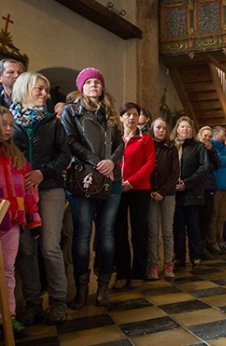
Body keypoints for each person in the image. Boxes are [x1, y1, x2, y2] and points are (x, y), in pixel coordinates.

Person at [0, 106, 41, 342]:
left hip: (11, 222)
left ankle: (7, 315)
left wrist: (34, 220)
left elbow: (29, 191)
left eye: (11, 124)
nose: (9, 128)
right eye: (3, 124)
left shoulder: (16, 157)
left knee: (8, 271)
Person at [10, 72, 71, 326]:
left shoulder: (52, 123)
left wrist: (41, 173)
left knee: (49, 246)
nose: (45, 94)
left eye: (46, 90)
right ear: (24, 89)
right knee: (26, 249)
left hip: (50, 188)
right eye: (40, 89)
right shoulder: (9, 122)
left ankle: (58, 301)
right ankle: (33, 303)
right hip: (19, 192)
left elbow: (64, 155)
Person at [60, 67, 124, 309]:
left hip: (111, 179)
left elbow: (121, 144)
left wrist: (111, 162)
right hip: (84, 178)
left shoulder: (110, 113)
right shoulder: (71, 111)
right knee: (82, 234)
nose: (94, 85)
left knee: (107, 233)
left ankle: (104, 287)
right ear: (81, 87)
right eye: (89, 82)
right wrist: (97, 161)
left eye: (98, 81)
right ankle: (82, 288)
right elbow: (70, 141)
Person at [113, 103, 155, 289]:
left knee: (139, 231)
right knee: (119, 231)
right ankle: (122, 273)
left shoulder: (145, 139)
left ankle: (138, 272)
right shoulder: (115, 139)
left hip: (139, 189)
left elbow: (149, 164)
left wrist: (131, 182)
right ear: (121, 117)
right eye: (127, 114)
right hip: (117, 190)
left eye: (135, 115)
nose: (131, 118)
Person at [172, 116, 209, 270]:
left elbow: (204, 167)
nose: (185, 129)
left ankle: (195, 256)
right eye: (182, 127)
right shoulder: (172, 145)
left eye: (188, 127)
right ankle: (180, 257)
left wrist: (186, 183)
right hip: (174, 192)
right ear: (177, 129)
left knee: (193, 225)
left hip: (193, 191)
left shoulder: (198, 146)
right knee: (178, 227)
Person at [147, 118, 180, 279]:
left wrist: (162, 191)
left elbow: (175, 173)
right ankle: (153, 264)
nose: (161, 131)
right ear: (152, 128)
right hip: (150, 193)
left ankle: (168, 264)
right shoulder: (147, 145)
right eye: (158, 128)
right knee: (153, 232)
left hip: (167, 194)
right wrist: (151, 190)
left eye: (164, 128)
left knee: (167, 231)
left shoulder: (171, 148)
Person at [210, 126, 226, 252]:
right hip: (216, 186)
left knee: (222, 217)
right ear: (216, 135)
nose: (224, 137)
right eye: (223, 135)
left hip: (225, 187)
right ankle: (213, 242)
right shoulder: (212, 146)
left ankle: (220, 241)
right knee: (214, 216)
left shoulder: (223, 148)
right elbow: (218, 161)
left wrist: (225, 159)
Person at [196, 125, 220, 256]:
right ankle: (198, 247)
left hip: (209, 186)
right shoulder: (195, 147)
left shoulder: (212, 149)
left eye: (209, 137)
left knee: (207, 217)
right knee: (198, 218)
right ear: (200, 136)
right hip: (197, 186)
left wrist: (211, 151)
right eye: (205, 136)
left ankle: (204, 245)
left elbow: (217, 164)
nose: (207, 138)